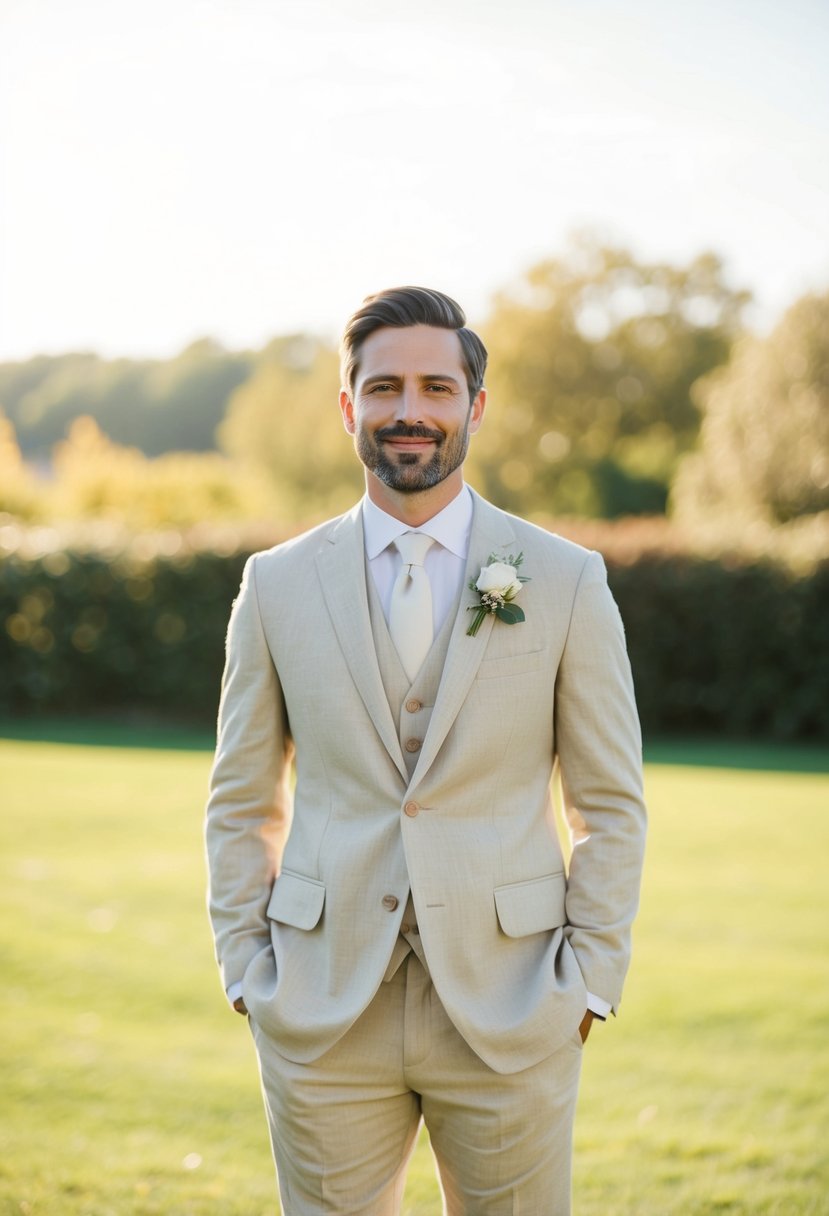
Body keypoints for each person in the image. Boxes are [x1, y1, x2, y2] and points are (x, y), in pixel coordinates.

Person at [205, 286, 647, 1215]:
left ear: (475, 407)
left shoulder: (564, 579)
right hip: (322, 1005)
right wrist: (248, 969)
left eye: (437, 389)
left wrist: (589, 982)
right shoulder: (276, 584)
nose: (410, 412)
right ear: (347, 405)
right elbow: (242, 800)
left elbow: (607, 802)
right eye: (384, 388)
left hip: (512, 1003)